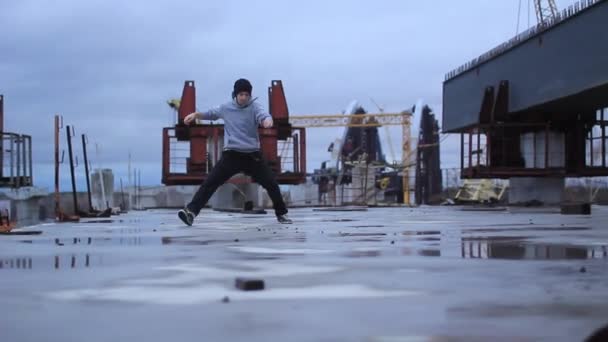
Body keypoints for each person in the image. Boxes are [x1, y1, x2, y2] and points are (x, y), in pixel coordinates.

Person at [178, 78, 292, 226]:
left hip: (252, 156)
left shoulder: (255, 107)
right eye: (241, 94)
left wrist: (267, 122)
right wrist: (195, 115)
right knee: (210, 182)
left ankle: (281, 214)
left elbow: (264, 115)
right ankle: (191, 212)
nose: (244, 97)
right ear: (235, 94)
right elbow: (211, 113)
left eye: (246, 94)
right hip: (232, 155)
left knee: (271, 183)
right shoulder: (226, 108)